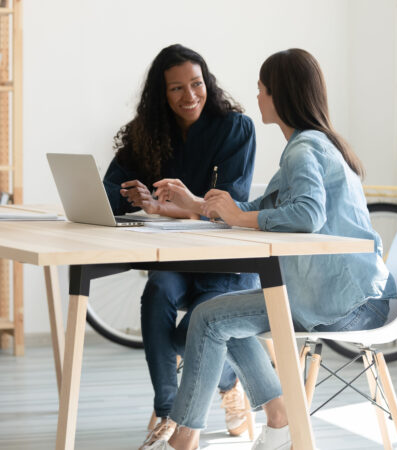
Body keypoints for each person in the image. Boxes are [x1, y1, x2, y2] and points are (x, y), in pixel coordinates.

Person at [147, 48, 397, 450]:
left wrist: (236, 216)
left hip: (346, 302)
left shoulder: (302, 149)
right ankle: (277, 420)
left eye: (262, 89)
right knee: (216, 317)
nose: (258, 96)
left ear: (279, 95)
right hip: (349, 294)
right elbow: (266, 207)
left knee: (210, 320)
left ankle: (184, 438)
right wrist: (200, 205)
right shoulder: (315, 143)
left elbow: (307, 214)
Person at [103, 44, 259, 447]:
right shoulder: (148, 132)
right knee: (157, 292)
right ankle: (169, 408)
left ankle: (227, 385)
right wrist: (135, 197)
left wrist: (169, 207)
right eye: (176, 89)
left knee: (193, 332)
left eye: (197, 84)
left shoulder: (234, 127)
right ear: (161, 94)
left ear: (207, 83)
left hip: (225, 261)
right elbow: (109, 189)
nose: (190, 96)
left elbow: (229, 203)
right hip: (176, 257)